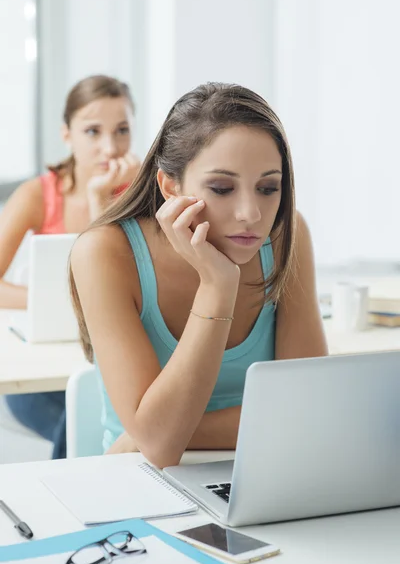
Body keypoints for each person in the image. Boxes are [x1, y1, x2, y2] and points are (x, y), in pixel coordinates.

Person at [70, 82, 328, 468]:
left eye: (268, 188)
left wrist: (151, 431)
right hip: (137, 478)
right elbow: (160, 448)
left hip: (266, 468)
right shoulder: (105, 252)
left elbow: (306, 413)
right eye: (222, 188)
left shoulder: (285, 234)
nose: (251, 214)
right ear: (170, 187)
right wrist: (217, 285)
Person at [0, 74, 140, 459]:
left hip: (108, 360)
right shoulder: (37, 195)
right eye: (93, 131)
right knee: (79, 414)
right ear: (67, 135)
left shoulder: (142, 193)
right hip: (44, 374)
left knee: (96, 404)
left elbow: (131, 282)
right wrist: (50, 300)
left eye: (122, 130)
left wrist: (101, 202)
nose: (109, 147)